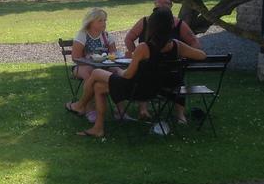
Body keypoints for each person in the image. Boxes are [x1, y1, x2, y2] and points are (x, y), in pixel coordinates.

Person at [65, 8, 206, 138]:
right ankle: (97, 126)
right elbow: (202, 55)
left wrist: (119, 71)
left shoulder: (144, 48)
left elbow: (127, 76)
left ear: (152, 26)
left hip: (136, 89)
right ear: (171, 26)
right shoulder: (177, 45)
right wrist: (180, 59)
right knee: (98, 86)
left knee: (96, 73)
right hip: (159, 88)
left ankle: (82, 107)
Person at [124, 0, 200, 54]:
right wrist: (135, 55)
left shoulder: (179, 24)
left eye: (166, 3)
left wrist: (185, 59)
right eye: (159, 2)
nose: (162, 6)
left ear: (171, 5)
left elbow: (194, 42)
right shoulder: (144, 22)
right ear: (155, 4)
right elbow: (128, 39)